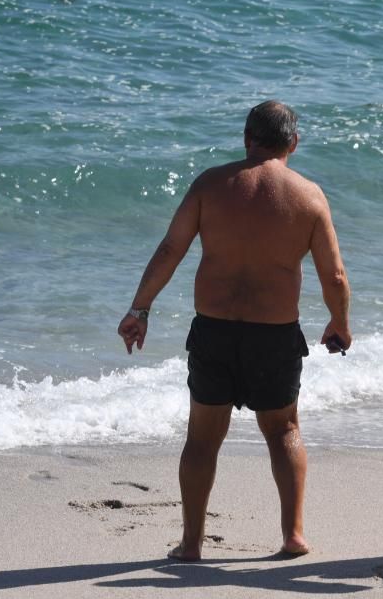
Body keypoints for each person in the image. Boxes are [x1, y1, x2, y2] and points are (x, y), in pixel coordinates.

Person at [117, 100, 351, 560]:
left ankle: (191, 543)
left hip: (215, 331)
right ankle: (293, 534)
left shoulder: (210, 184)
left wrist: (140, 309)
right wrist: (339, 323)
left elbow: (170, 249)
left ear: (247, 139)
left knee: (203, 439)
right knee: (283, 430)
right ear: (294, 143)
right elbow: (335, 276)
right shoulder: (308, 196)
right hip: (274, 334)